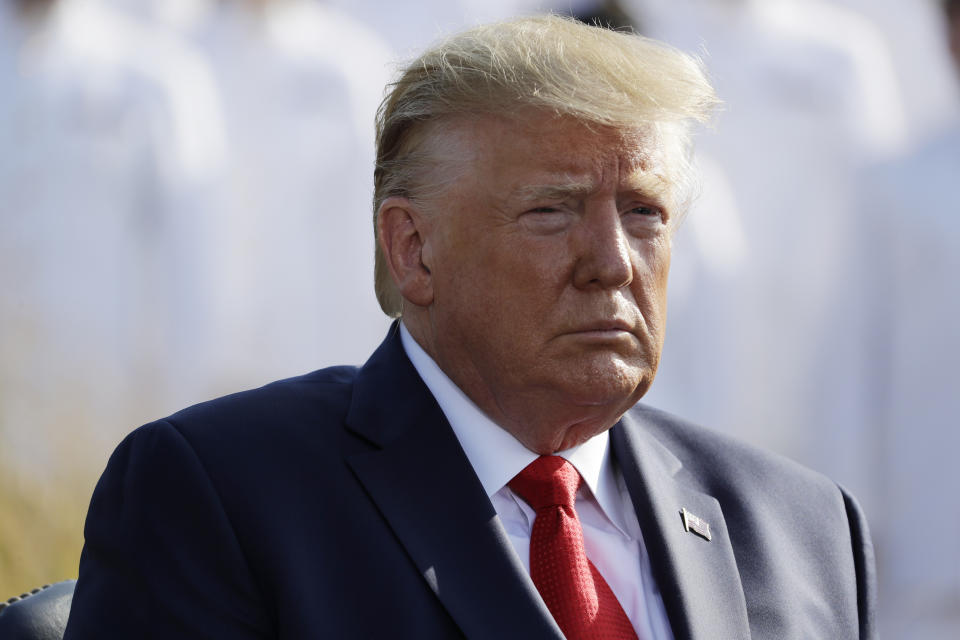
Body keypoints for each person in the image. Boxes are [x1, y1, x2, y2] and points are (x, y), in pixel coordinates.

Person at [63, 15, 875, 639]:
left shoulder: (797, 529)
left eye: (644, 213)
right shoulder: (226, 500)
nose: (613, 261)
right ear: (412, 251)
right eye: (552, 212)